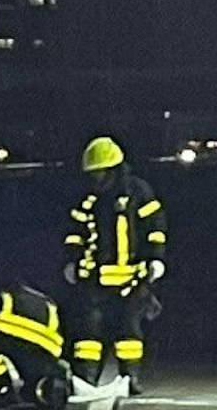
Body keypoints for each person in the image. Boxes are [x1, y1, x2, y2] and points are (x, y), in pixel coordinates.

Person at [64, 135, 166, 394]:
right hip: (94, 280)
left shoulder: (138, 192)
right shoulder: (88, 198)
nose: (97, 178)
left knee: (129, 331)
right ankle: (85, 380)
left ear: (113, 170)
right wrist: (73, 262)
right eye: (94, 174)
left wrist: (155, 258)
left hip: (133, 278)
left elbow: (155, 228)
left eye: (101, 173)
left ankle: (130, 377)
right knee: (89, 331)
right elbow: (75, 232)